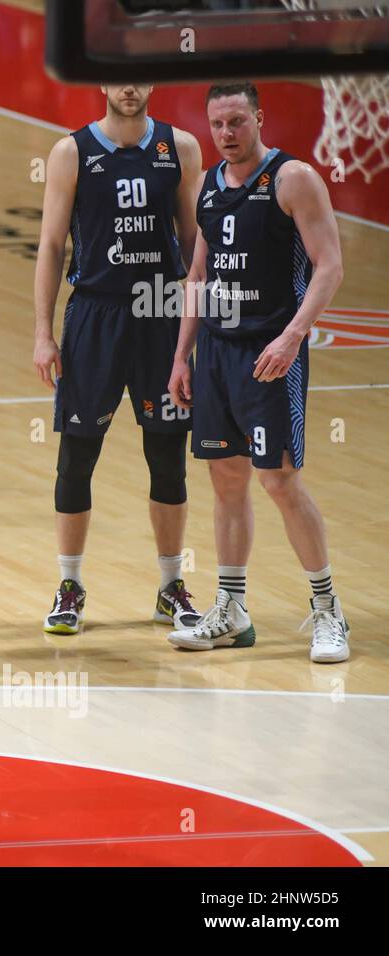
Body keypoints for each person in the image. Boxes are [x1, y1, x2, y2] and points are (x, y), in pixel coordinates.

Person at [167, 82, 350, 663]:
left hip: (270, 355)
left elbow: (330, 267)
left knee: (278, 480)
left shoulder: (293, 179)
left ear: (259, 119)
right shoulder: (206, 186)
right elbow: (197, 276)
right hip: (216, 354)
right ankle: (231, 609)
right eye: (218, 124)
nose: (226, 134)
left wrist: (293, 336)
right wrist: (181, 356)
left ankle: (327, 610)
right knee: (226, 480)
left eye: (237, 122)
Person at [33, 84, 204, 636]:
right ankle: (69, 584)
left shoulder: (181, 147)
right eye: (120, 79)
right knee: (77, 458)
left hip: (160, 314)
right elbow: (52, 244)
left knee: (168, 457)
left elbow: (194, 241)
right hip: (95, 316)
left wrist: (196, 325)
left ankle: (171, 585)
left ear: (152, 85)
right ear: (103, 84)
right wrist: (43, 331)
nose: (130, 89)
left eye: (140, 79)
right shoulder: (71, 152)